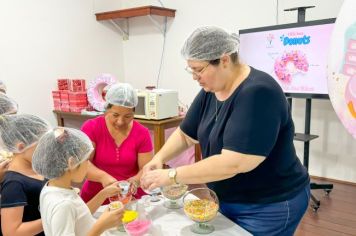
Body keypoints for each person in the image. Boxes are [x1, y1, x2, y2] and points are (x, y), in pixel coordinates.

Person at [140, 26, 310, 236]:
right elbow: (186, 134)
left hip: (268, 204)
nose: (194, 77)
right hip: (228, 199)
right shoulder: (211, 90)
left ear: (224, 60)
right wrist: (160, 157)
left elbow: (233, 163)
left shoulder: (258, 93)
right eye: (191, 70)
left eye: (199, 70)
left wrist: (173, 175)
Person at [32, 127, 124, 236]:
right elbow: (69, 210)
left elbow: (80, 216)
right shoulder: (63, 205)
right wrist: (101, 225)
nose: (88, 166)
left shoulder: (52, 187)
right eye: (86, 160)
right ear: (72, 163)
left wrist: (104, 194)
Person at [80, 83, 153, 203]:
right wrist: (102, 177)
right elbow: (82, 164)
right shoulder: (92, 128)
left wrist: (135, 181)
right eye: (115, 115)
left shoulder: (142, 133)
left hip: (130, 197)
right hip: (96, 198)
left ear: (134, 112)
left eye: (128, 116)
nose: (120, 122)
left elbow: (146, 169)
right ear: (106, 109)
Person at [0, 114, 51, 236]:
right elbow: (11, 232)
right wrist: (52, 218)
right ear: (21, 147)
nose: (46, 149)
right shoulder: (14, 184)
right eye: (41, 145)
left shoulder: (38, 169)